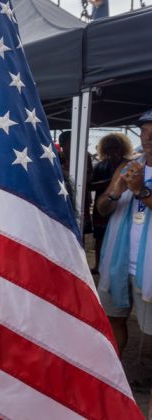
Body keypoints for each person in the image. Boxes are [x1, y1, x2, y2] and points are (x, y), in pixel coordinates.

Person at [97, 109, 152, 358]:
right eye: (143, 131)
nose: (147, 137)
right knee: (112, 321)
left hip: (149, 268)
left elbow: (141, 193)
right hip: (117, 263)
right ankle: (114, 379)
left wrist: (140, 190)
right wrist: (116, 192)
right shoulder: (127, 166)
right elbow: (102, 208)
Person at [89, 133, 133, 274]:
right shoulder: (101, 166)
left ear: (122, 148)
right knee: (100, 237)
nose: (112, 152)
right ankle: (98, 266)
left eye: (116, 148)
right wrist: (110, 183)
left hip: (124, 206)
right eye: (109, 149)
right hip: (102, 205)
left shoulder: (130, 164)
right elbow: (89, 185)